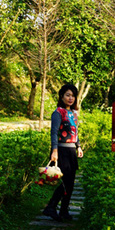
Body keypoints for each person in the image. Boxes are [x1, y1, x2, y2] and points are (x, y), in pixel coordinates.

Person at [43, 83, 83, 221]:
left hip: (71, 151)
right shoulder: (58, 112)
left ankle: (63, 211)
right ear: (62, 96)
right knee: (65, 182)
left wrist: (78, 146)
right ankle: (51, 207)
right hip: (61, 150)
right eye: (68, 95)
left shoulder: (73, 113)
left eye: (73, 95)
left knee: (70, 182)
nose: (70, 98)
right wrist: (54, 151)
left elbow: (75, 132)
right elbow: (54, 132)